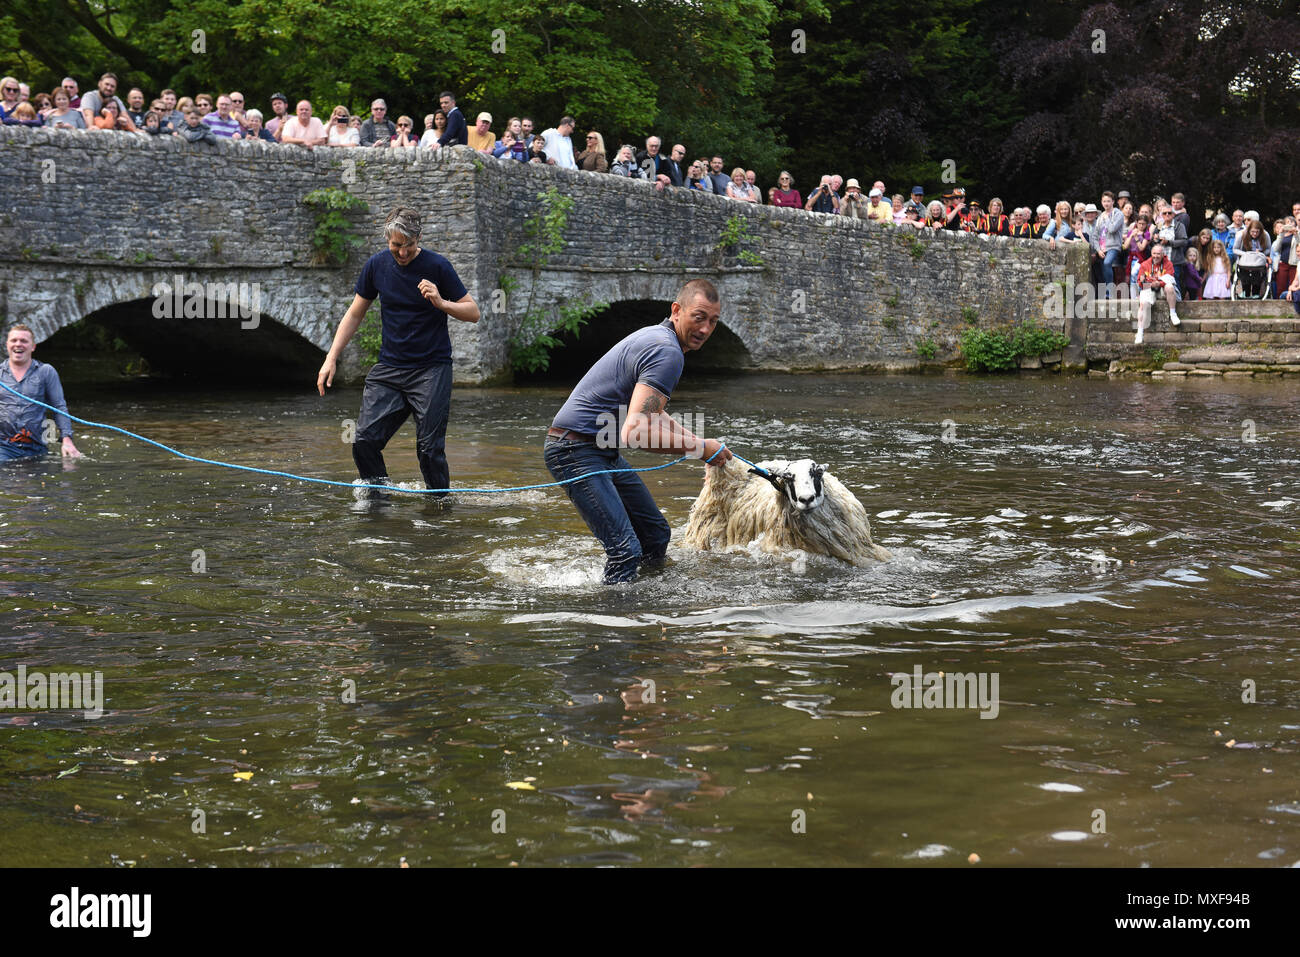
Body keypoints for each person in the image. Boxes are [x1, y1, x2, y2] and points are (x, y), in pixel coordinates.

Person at [543, 279, 733, 584]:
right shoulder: (667, 352)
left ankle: (647, 602)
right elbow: (635, 431)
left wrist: (702, 445)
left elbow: (653, 413)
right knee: (625, 551)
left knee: (655, 535)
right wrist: (699, 448)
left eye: (713, 321)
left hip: (599, 448)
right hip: (573, 450)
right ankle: (617, 622)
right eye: (699, 318)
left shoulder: (659, 339)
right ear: (676, 310)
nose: (706, 329)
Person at [316, 207, 480, 498]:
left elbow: (473, 312)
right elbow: (354, 314)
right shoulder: (376, 266)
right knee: (364, 439)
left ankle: (439, 505)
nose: (402, 253)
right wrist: (331, 357)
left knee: (429, 449)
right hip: (389, 369)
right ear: (387, 239)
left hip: (431, 369)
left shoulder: (438, 266)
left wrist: (441, 303)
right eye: (396, 246)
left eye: (408, 246)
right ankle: (379, 498)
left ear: (418, 238)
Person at [1, 324, 81, 461]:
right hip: (3, 446)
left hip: (36, 447)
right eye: (14, 340)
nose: (18, 344)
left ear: (33, 347)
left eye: (24, 341)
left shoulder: (46, 372)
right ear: (7, 344)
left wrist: (67, 440)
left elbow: (59, 407)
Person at [1134, 243, 1179, 344]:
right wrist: (1149, 284)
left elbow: (1171, 279)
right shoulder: (1144, 264)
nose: (1156, 256)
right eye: (1154, 253)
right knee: (1143, 304)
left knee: (1170, 286)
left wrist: (1159, 283)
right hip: (1149, 288)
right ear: (1151, 253)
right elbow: (1140, 283)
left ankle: (1173, 313)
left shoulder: (1168, 264)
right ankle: (1140, 332)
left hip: (1163, 288)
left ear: (1163, 254)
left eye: (1158, 254)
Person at [1233, 220, 1271, 297]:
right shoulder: (1242, 235)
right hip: (1245, 260)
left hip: (1258, 261)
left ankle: (1256, 293)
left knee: (1257, 276)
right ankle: (1245, 293)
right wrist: (1247, 254)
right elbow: (1235, 249)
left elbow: (1268, 249)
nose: (1255, 234)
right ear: (1249, 230)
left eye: (1257, 232)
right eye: (1252, 232)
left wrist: (1261, 253)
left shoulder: (1265, 235)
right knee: (1245, 276)